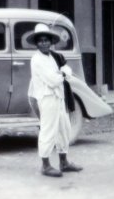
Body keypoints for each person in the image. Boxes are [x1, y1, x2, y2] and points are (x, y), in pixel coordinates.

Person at [27, 23, 82, 178]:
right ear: (36, 43)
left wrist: (63, 73)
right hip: (47, 98)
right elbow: (52, 80)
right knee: (48, 130)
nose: (44, 43)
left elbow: (68, 70)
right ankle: (45, 165)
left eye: (47, 40)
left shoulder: (54, 56)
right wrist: (62, 74)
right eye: (41, 40)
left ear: (51, 42)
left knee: (64, 128)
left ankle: (64, 162)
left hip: (59, 97)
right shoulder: (36, 60)